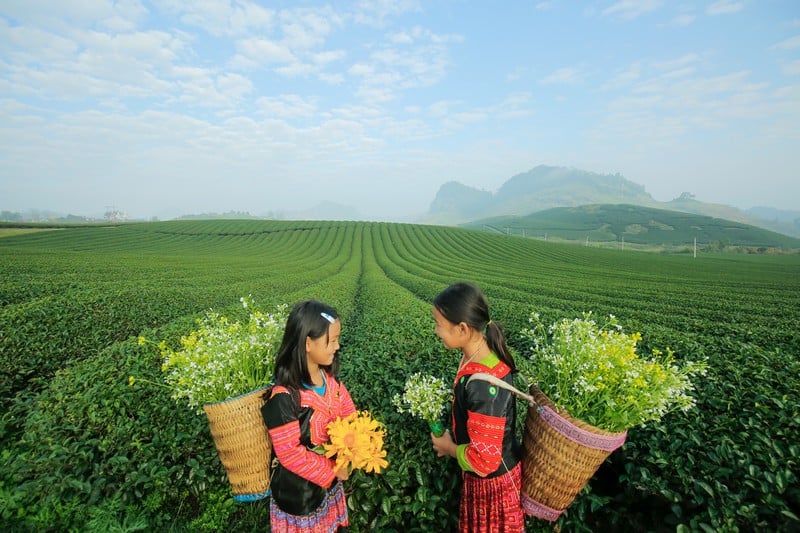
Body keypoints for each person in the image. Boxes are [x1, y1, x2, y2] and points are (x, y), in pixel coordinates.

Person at [430, 282, 524, 533]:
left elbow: (485, 461)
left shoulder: (483, 386)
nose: (436, 331)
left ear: (462, 328)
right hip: (489, 479)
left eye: (439, 324)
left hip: (493, 486)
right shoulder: (481, 352)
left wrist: (448, 448)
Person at [261, 300, 355, 532]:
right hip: (300, 498)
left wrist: (354, 448)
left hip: (328, 488)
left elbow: (350, 416)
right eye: (331, 340)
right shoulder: (284, 397)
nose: (337, 346)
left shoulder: (331, 382)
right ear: (307, 343)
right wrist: (334, 469)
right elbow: (290, 454)